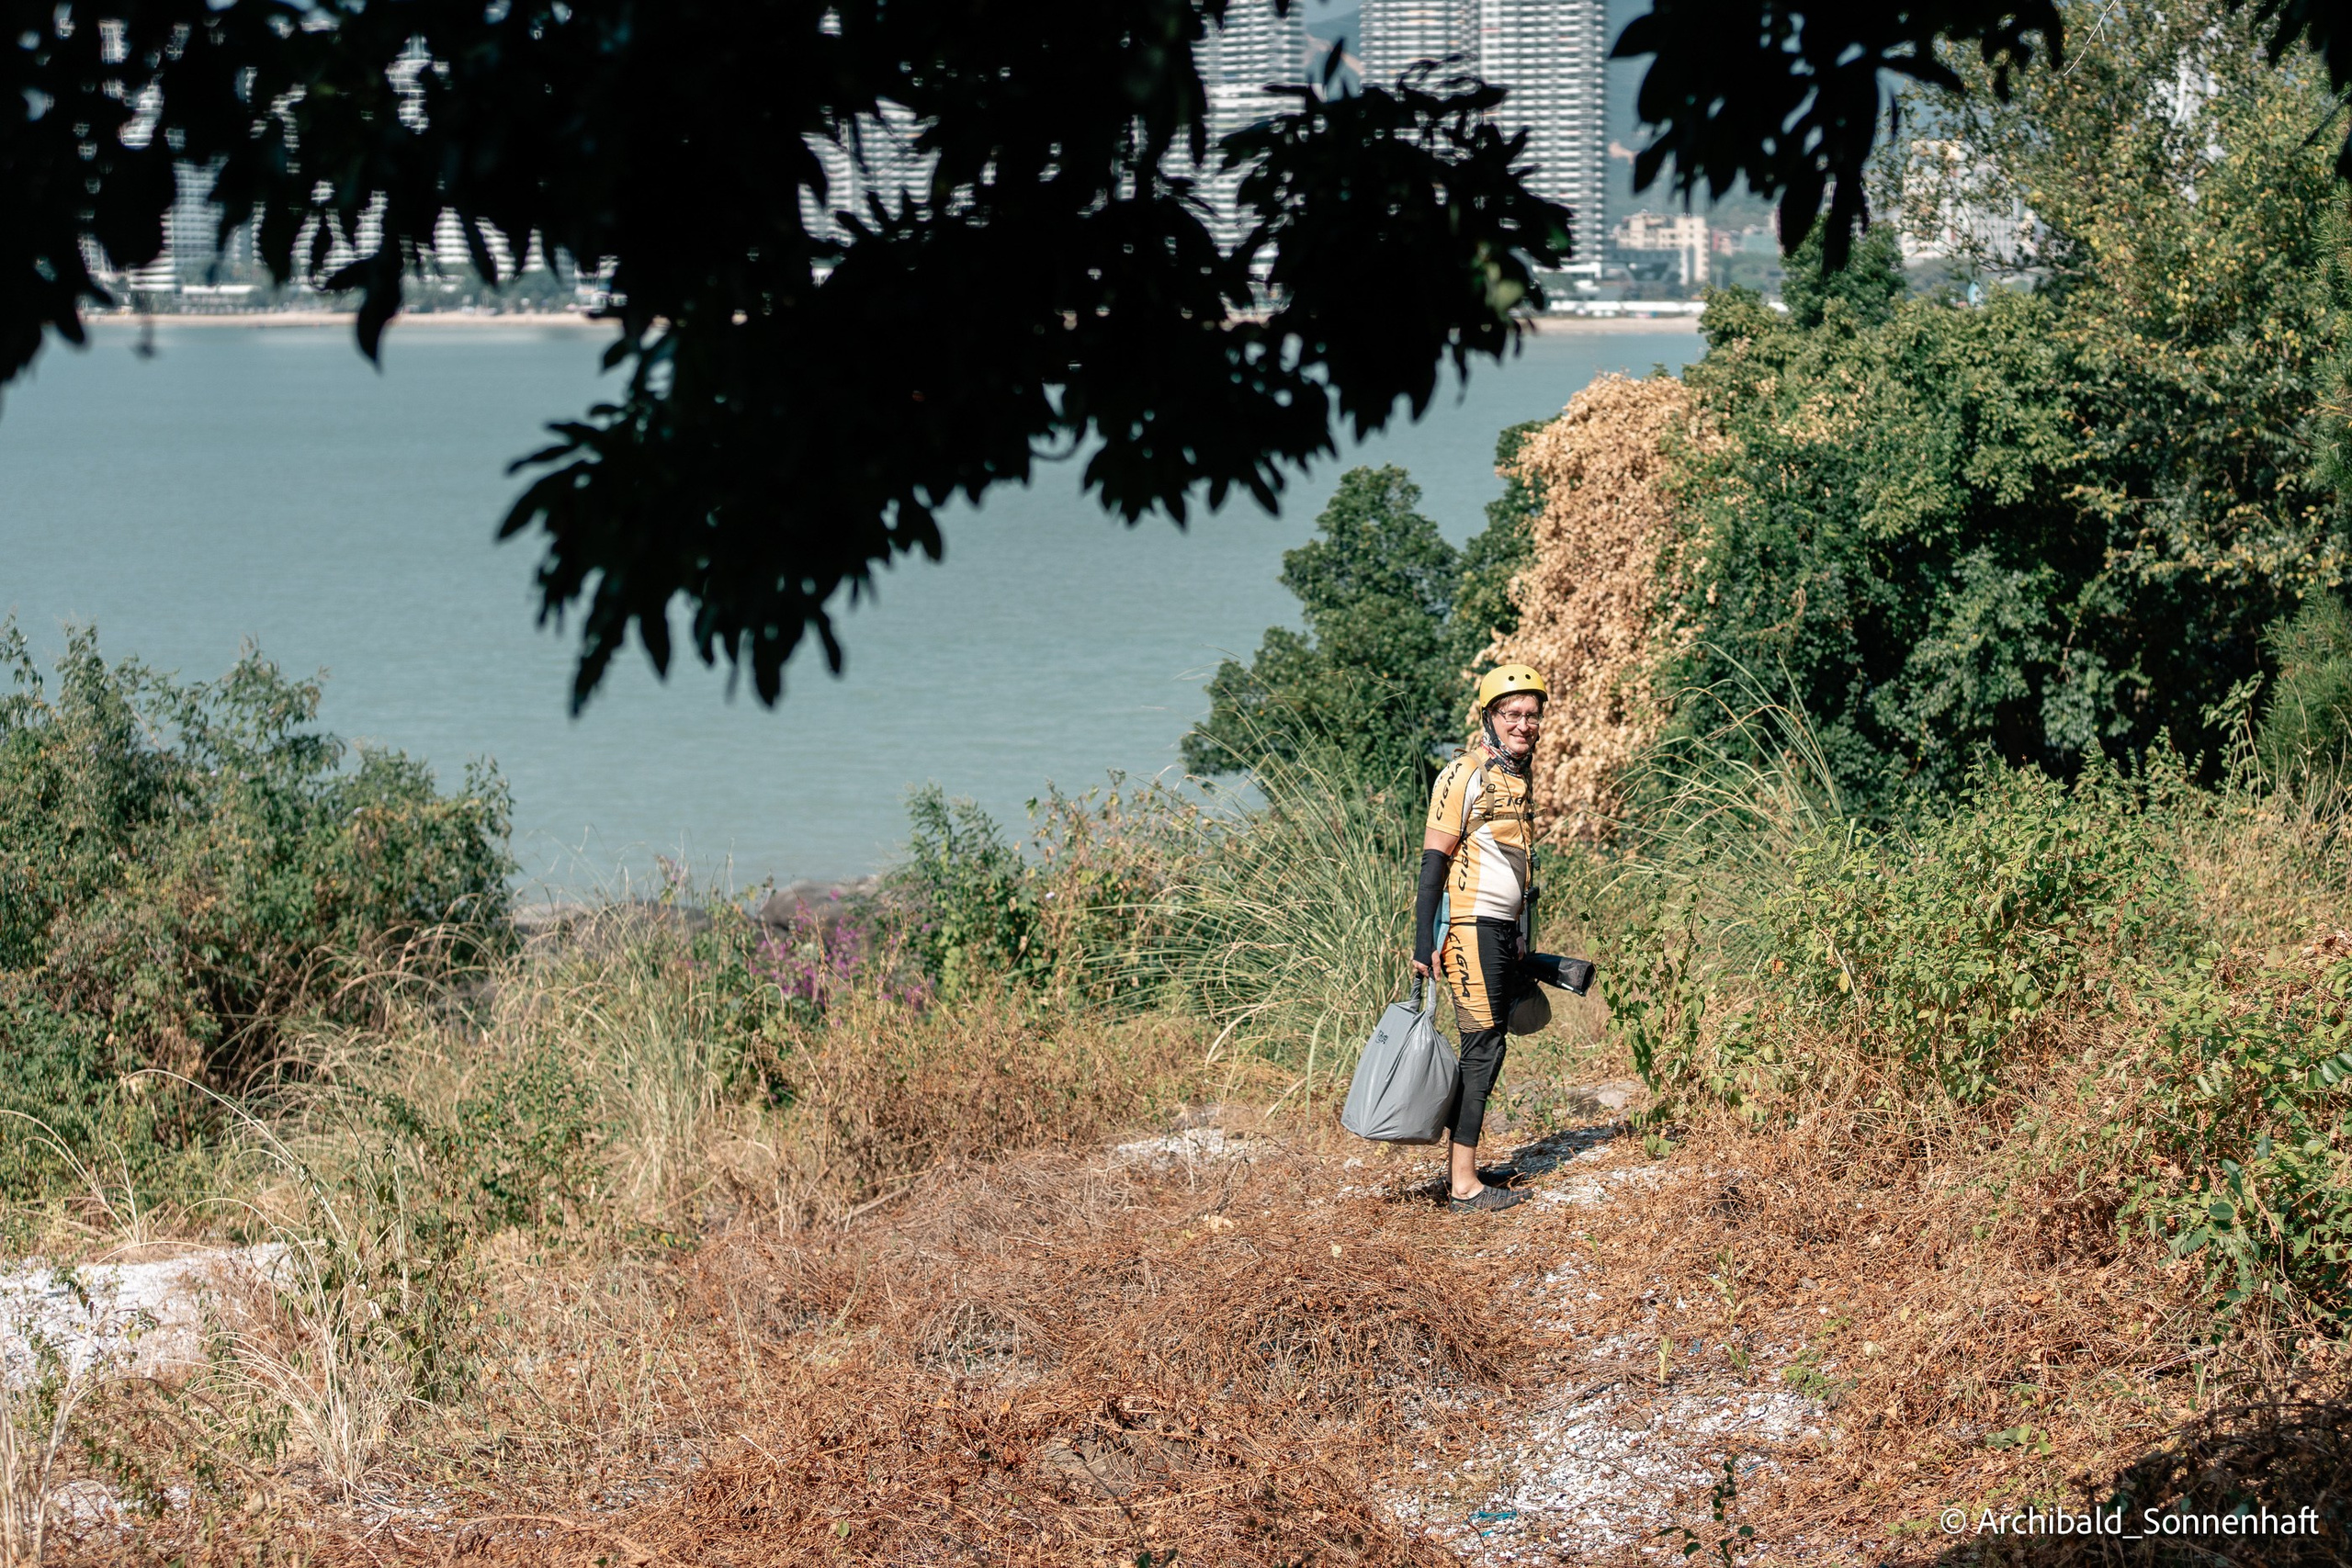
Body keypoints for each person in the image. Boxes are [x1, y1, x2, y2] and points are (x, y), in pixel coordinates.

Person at [1411, 663, 1550, 1213]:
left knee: (1491, 1046)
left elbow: (1514, 867)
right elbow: (1432, 863)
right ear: (1490, 717)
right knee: (1483, 1045)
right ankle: (1463, 1186)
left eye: (1532, 715)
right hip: (1468, 926)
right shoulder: (1462, 773)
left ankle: (1463, 1169)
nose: (1524, 724)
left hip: (1499, 930)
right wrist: (1425, 943)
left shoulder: (1517, 777)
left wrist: (1518, 933)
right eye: (1512, 714)